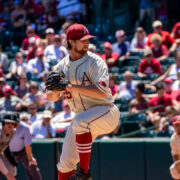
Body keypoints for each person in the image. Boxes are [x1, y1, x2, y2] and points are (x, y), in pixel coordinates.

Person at [46, 24, 120, 180]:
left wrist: (69, 86)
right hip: (82, 119)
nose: (87, 42)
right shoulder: (61, 66)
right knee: (65, 162)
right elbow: (51, 98)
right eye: (82, 40)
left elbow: (101, 92)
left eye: (88, 39)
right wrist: (53, 90)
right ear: (71, 42)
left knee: (80, 121)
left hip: (106, 111)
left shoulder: (96, 62)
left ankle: (84, 173)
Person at [0, 112, 19, 180]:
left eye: (12, 123)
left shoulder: (13, 132)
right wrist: (7, 174)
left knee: (12, 171)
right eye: (7, 123)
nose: (10, 125)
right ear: (3, 123)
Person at [169, 115, 180, 180]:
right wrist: (177, 164)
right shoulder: (173, 139)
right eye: (177, 125)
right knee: (173, 170)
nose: (179, 127)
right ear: (173, 126)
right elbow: (175, 154)